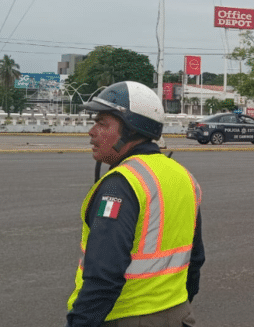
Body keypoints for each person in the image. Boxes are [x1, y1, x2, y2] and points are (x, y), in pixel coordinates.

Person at [66, 81, 204, 327]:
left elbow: (104, 276)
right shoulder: (183, 176)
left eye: (102, 123)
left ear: (130, 130)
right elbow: (196, 259)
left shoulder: (121, 184)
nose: (92, 131)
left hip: (126, 317)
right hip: (180, 315)